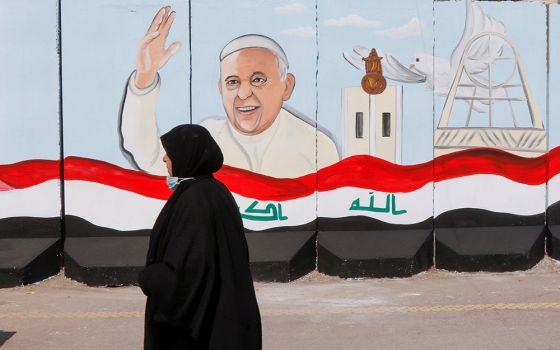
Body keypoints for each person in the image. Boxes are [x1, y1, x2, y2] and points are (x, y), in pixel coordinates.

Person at [120, 6, 339, 178]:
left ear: (287, 86)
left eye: (258, 80)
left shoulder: (317, 148)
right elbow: (146, 154)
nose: (243, 94)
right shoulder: (207, 141)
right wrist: (145, 76)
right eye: (233, 82)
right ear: (221, 89)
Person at [138, 124, 262, 349]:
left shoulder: (194, 201)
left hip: (199, 334)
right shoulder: (214, 191)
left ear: (186, 155)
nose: (165, 158)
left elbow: (186, 277)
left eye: (171, 152)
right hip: (224, 320)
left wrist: (149, 277)